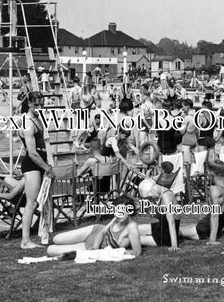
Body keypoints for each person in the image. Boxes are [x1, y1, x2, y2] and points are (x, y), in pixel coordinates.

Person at [47, 195, 142, 257]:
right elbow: (102, 232)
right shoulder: (117, 218)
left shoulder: (132, 227)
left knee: (50, 250)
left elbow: (137, 252)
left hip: (91, 248)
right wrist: (96, 246)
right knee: (56, 239)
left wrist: (114, 253)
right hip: (93, 232)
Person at [19, 91, 56, 249]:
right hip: (32, 164)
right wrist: (47, 167)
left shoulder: (38, 119)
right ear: (29, 104)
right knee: (31, 203)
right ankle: (25, 241)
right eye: (36, 105)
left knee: (43, 202)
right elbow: (33, 153)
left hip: (40, 163)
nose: (39, 107)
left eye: (42, 105)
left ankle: (42, 234)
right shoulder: (28, 123)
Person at [179, 160, 224, 244]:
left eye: (207, 171)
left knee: (170, 230)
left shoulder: (215, 189)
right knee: (177, 228)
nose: (207, 173)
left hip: (203, 230)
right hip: (208, 227)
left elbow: (214, 216)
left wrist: (212, 240)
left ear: (212, 173)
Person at [137, 179, 181, 251]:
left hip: (163, 236)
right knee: (132, 229)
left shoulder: (166, 196)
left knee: (131, 238)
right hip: (159, 228)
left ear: (152, 191)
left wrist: (174, 245)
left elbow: (171, 222)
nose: (150, 199)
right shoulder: (163, 192)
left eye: (149, 197)